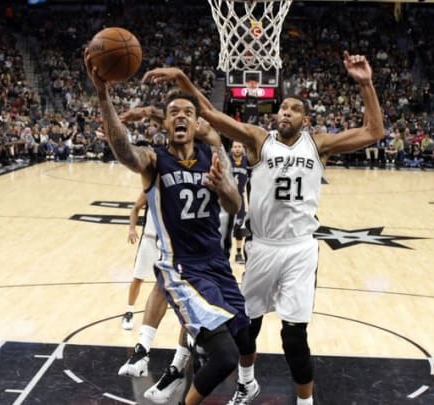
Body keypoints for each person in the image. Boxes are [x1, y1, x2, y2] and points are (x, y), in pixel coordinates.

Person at [143, 50, 384, 405]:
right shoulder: (259, 139)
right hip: (262, 246)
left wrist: (366, 85)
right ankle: (246, 383)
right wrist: (182, 79)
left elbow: (374, 131)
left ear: (305, 118)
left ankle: (306, 402)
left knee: (294, 337)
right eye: (282, 108)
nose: (285, 112)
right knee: (245, 328)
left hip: (300, 248)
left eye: (293, 109)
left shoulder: (319, 144)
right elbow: (209, 115)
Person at [85, 53, 251, 405]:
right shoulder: (154, 160)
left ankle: (177, 372)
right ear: (165, 123)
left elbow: (235, 206)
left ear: (197, 124)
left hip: (217, 266)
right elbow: (123, 150)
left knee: (243, 336)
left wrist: (223, 187)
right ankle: (177, 382)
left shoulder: (212, 156)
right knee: (223, 356)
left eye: (188, 113)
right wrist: (103, 95)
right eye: (173, 112)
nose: (180, 116)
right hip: (181, 269)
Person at [121, 191, 159, 330]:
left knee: (173, 283)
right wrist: (132, 228)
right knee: (138, 277)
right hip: (149, 239)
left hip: (168, 242)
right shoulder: (152, 188)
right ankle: (129, 311)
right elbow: (136, 208)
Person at [227, 141, 248, 264]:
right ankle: (221, 252)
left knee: (239, 228)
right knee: (223, 228)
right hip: (226, 199)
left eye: (239, 146)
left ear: (243, 148)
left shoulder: (247, 161)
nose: (237, 149)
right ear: (231, 148)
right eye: (235, 147)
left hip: (240, 199)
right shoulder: (226, 160)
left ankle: (238, 253)